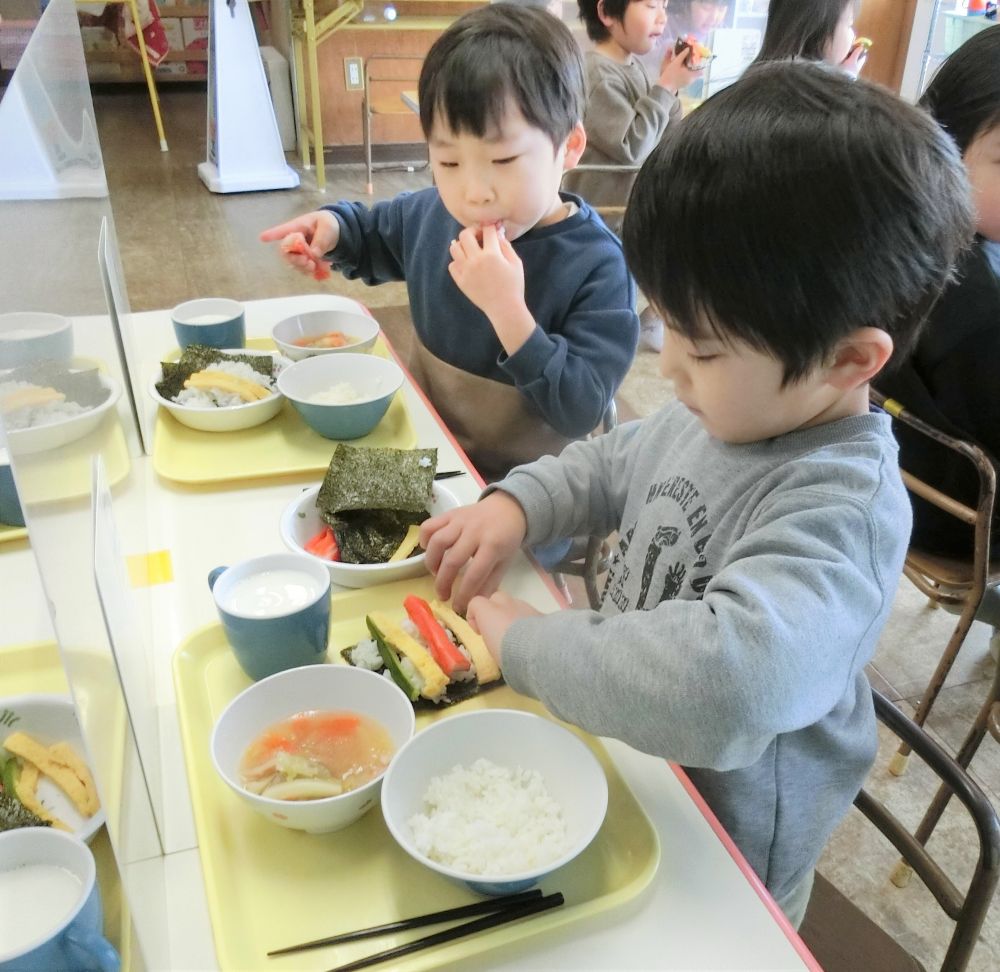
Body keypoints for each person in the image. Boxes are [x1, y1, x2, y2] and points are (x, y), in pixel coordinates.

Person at [419, 61, 972, 927]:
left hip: (724, 866)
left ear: (848, 360)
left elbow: (730, 683)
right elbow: (611, 463)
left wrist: (532, 643)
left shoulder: (844, 509)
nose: (668, 365)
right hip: (630, 760)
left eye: (704, 347)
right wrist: (516, 505)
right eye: (668, 325)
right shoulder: (722, 412)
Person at [260, 6, 638, 483]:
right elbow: (375, 235)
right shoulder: (433, 214)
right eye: (449, 162)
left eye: (502, 159)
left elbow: (580, 409)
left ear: (570, 147)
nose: (475, 192)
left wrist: (509, 315)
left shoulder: (597, 266)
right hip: (421, 454)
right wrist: (333, 232)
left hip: (525, 498)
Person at [876, 24, 1000, 657]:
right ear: (945, 151)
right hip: (959, 519)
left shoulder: (906, 235)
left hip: (900, 480)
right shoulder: (977, 304)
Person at [565, 0, 704, 353]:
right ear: (607, 13)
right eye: (650, 5)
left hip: (631, 204)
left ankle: (652, 317)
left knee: (697, 223)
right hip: (606, 212)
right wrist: (665, 86)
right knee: (686, 234)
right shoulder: (596, 74)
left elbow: (667, 133)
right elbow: (631, 146)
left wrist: (668, 85)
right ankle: (634, 323)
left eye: (665, 6)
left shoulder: (632, 67)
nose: (662, 17)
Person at [752, 0, 869, 76]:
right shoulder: (800, 79)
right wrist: (847, 77)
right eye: (849, 24)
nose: (853, 35)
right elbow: (832, 109)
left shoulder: (763, 71)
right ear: (818, 31)